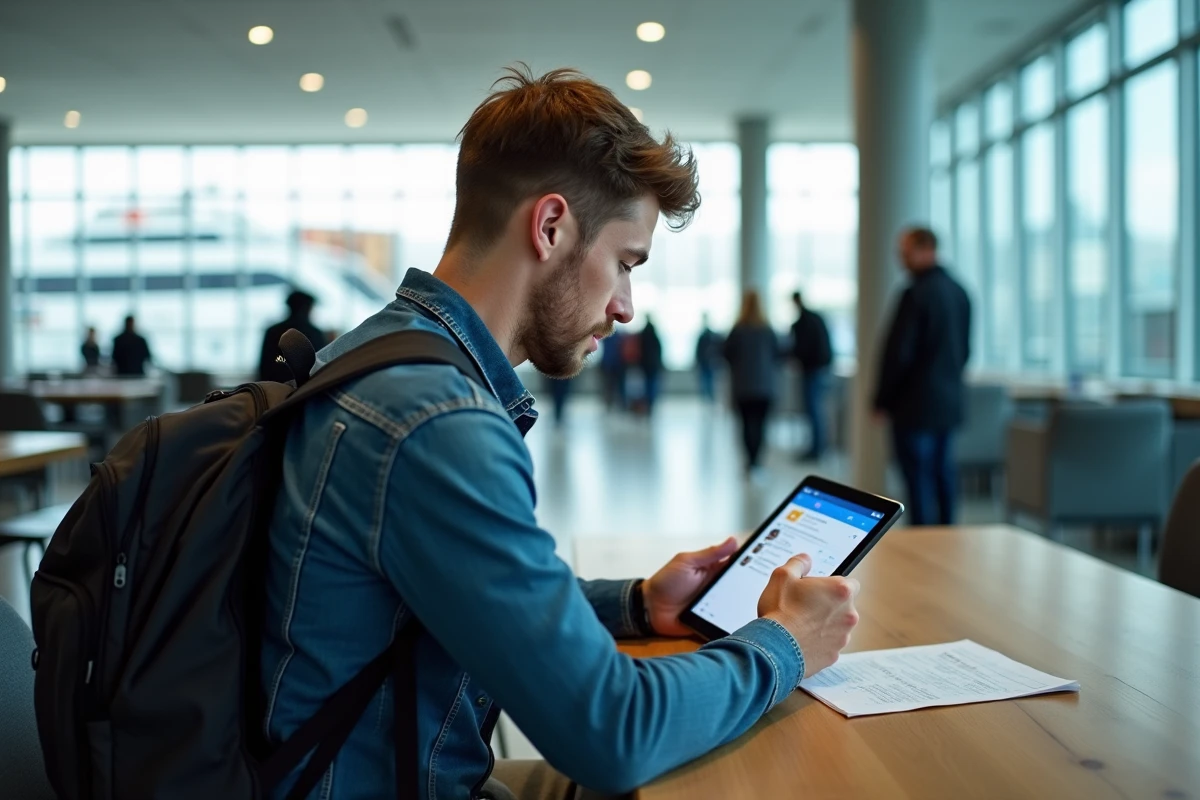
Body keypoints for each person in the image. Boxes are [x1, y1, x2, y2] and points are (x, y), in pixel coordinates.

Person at [262, 67, 860, 800]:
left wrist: (636, 603)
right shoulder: (436, 421)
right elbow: (613, 731)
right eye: (625, 263)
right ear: (550, 227)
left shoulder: (371, 354)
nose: (626, 307)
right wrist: (787, 644)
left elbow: (462, 589)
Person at [874, 226, 972, 526]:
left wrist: (882, 399)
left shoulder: (915, 294)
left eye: (905, 252)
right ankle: (947, 534)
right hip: (948, 402)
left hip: (914, 405)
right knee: (943, 473)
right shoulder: (960, 292)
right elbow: (965, 350)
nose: (900, 259)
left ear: (926, 250)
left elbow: (899, 354)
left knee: (917, 477)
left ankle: (921, 537)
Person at [723, 291, 780, 474]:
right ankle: (757, 462)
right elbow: (778, 354)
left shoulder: (737, 330)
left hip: (743, 386)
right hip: (765, 387)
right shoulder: (767, 330)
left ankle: (750, 462)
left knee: (747, 425)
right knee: (760, 426)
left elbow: (726, 354)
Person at [789, 291, 834, 461]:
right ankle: (818, 447)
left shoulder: (804, 322)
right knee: (816, 409)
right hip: (820, 368)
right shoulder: (814, 318)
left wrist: (796, 356)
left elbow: (803, 347)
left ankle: (817, 449)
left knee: (814, 409)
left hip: (813, 370)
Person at [259, 290, 329, 383]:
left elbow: (265, 366)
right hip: (308, 387)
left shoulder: (273, 331)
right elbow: (321, 365)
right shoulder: (315, 333)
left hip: (275, 386)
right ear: (308, 308)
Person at [639, 316, 664, 414]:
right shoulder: (654, 335)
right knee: (652, 384)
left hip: (645, 365)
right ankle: (651, 403)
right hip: (653, 365)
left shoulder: (643, 335)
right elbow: (659, 350)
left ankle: (648, 403)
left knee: (647, 384)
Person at [694, 315, 721, 403]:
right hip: (704, 362)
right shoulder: (703, 336)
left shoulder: (711, 335)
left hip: (710, 363)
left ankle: (710, 397)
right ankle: (707, 398)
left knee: (709, 381)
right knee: (705, 381)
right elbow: (698, 350)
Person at [599, 328, 627, 411]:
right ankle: (621, 404)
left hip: (608, 364)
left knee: (608, 386)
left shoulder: (606, 336)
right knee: (619, 386)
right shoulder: (619, 336)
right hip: (618, 364)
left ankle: (609, 404)